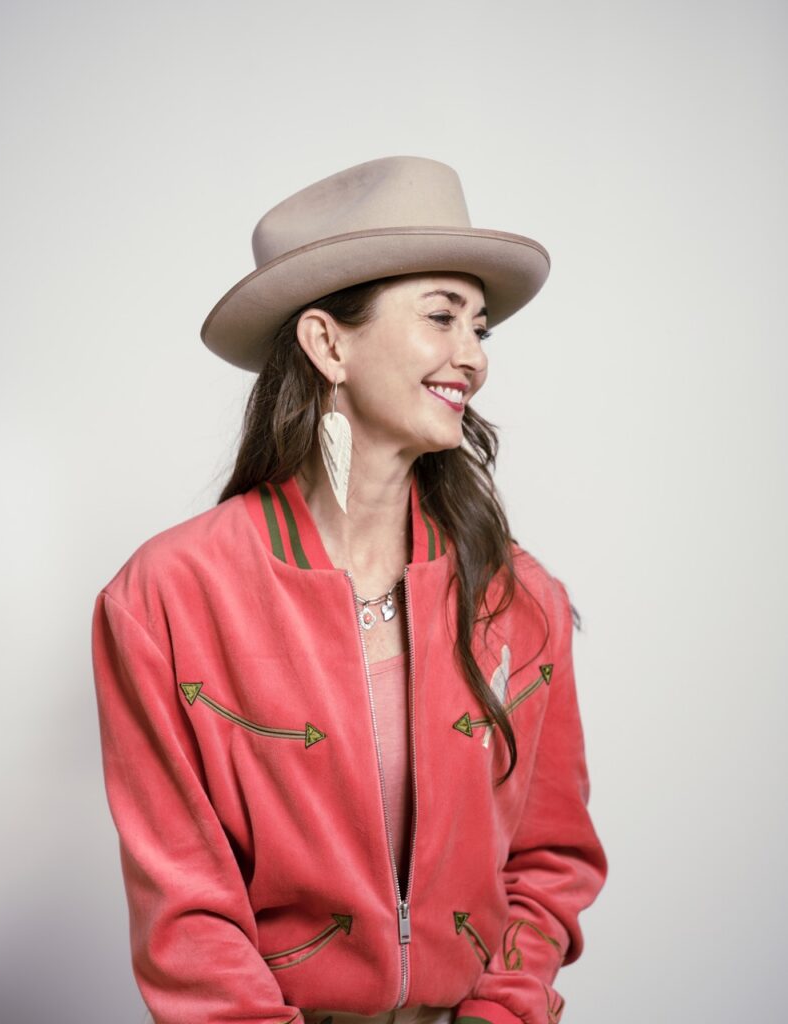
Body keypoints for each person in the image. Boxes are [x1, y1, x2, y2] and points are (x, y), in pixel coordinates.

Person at [91, 156, 607, 1024]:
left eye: (480, 327)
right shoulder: (165, 598)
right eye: (441, 318)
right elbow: (186, 908)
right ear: (329, 343)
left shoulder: (520, 598)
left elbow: (549, 863)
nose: (471, 358)